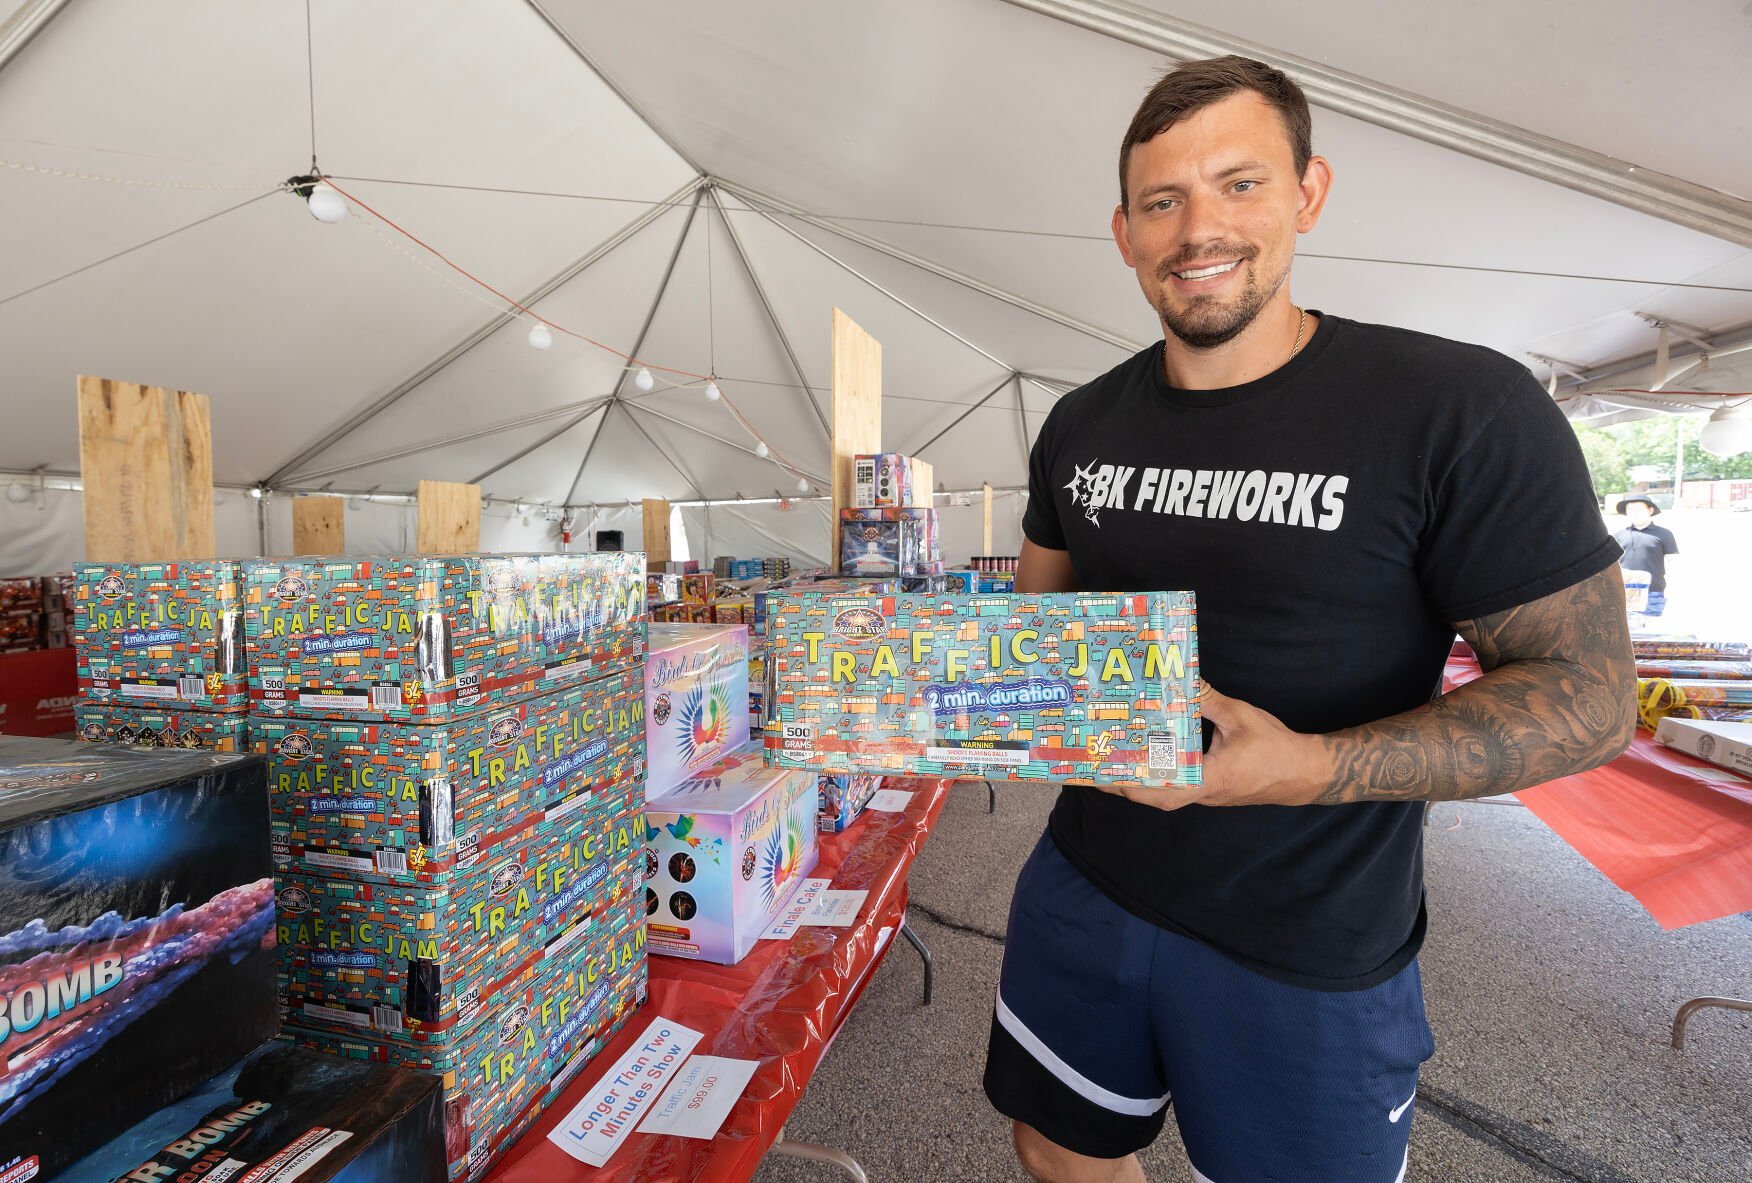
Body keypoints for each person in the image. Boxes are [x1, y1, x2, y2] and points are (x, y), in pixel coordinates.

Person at [984, 56, 1638, 1183]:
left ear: (1309, 191)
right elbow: (1029, 635)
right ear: (1124, 232)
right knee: (1057, 1143)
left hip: (1310, 934)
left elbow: (1590, 698)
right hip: (1087, 882)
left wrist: (1306, 768)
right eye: (1163, 201)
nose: (1200, 229)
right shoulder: (1082, 423)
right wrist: (915, 687)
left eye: (1239, 185)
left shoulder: (1458, 410)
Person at [1613, 496, 1678, 616]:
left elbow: (1673, 563)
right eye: (1630, 509)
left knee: (1650, 629)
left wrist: (1672, 590)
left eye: (1638, 509)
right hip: (1624, 592)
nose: (1634, 513)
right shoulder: (1618, 535)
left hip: (1653, 592)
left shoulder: (1664, 534)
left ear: (1650, 510)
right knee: (1626, 632)